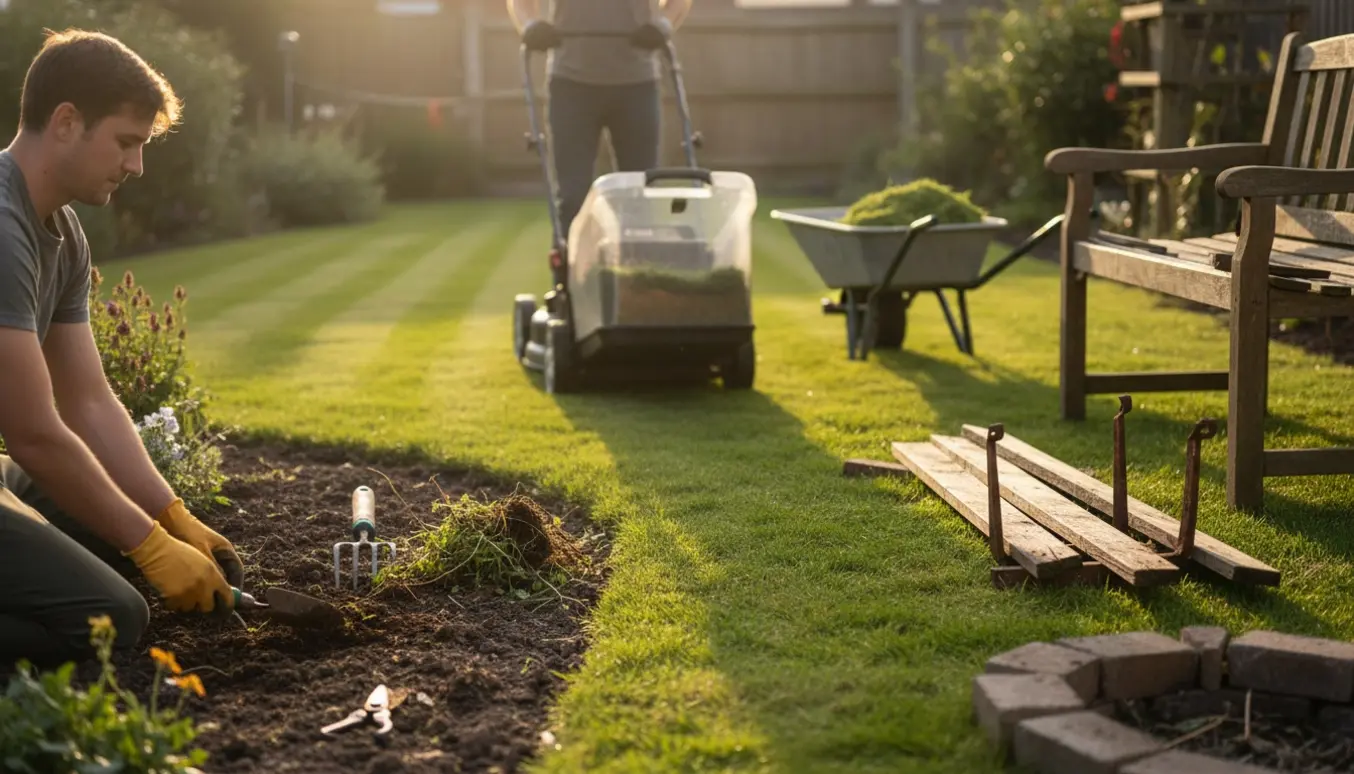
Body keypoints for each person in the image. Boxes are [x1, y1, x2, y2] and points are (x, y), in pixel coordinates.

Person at [0, 29, 244, 672]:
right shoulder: (0, 231)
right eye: (127, 142)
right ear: (66, 122)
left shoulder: (63, 230)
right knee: (114, 617)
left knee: (116, 543)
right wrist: (150, 544)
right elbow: (32, 434)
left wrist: (170, 515)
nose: (136, 166)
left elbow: (88, 401)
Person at [508, 0, 693, 241]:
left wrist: (663, 26)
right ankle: (569, 272)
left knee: (640, 193)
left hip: (637, 84)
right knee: (573, 196)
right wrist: (530, 26)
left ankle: (635, 271)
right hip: (571, 85)